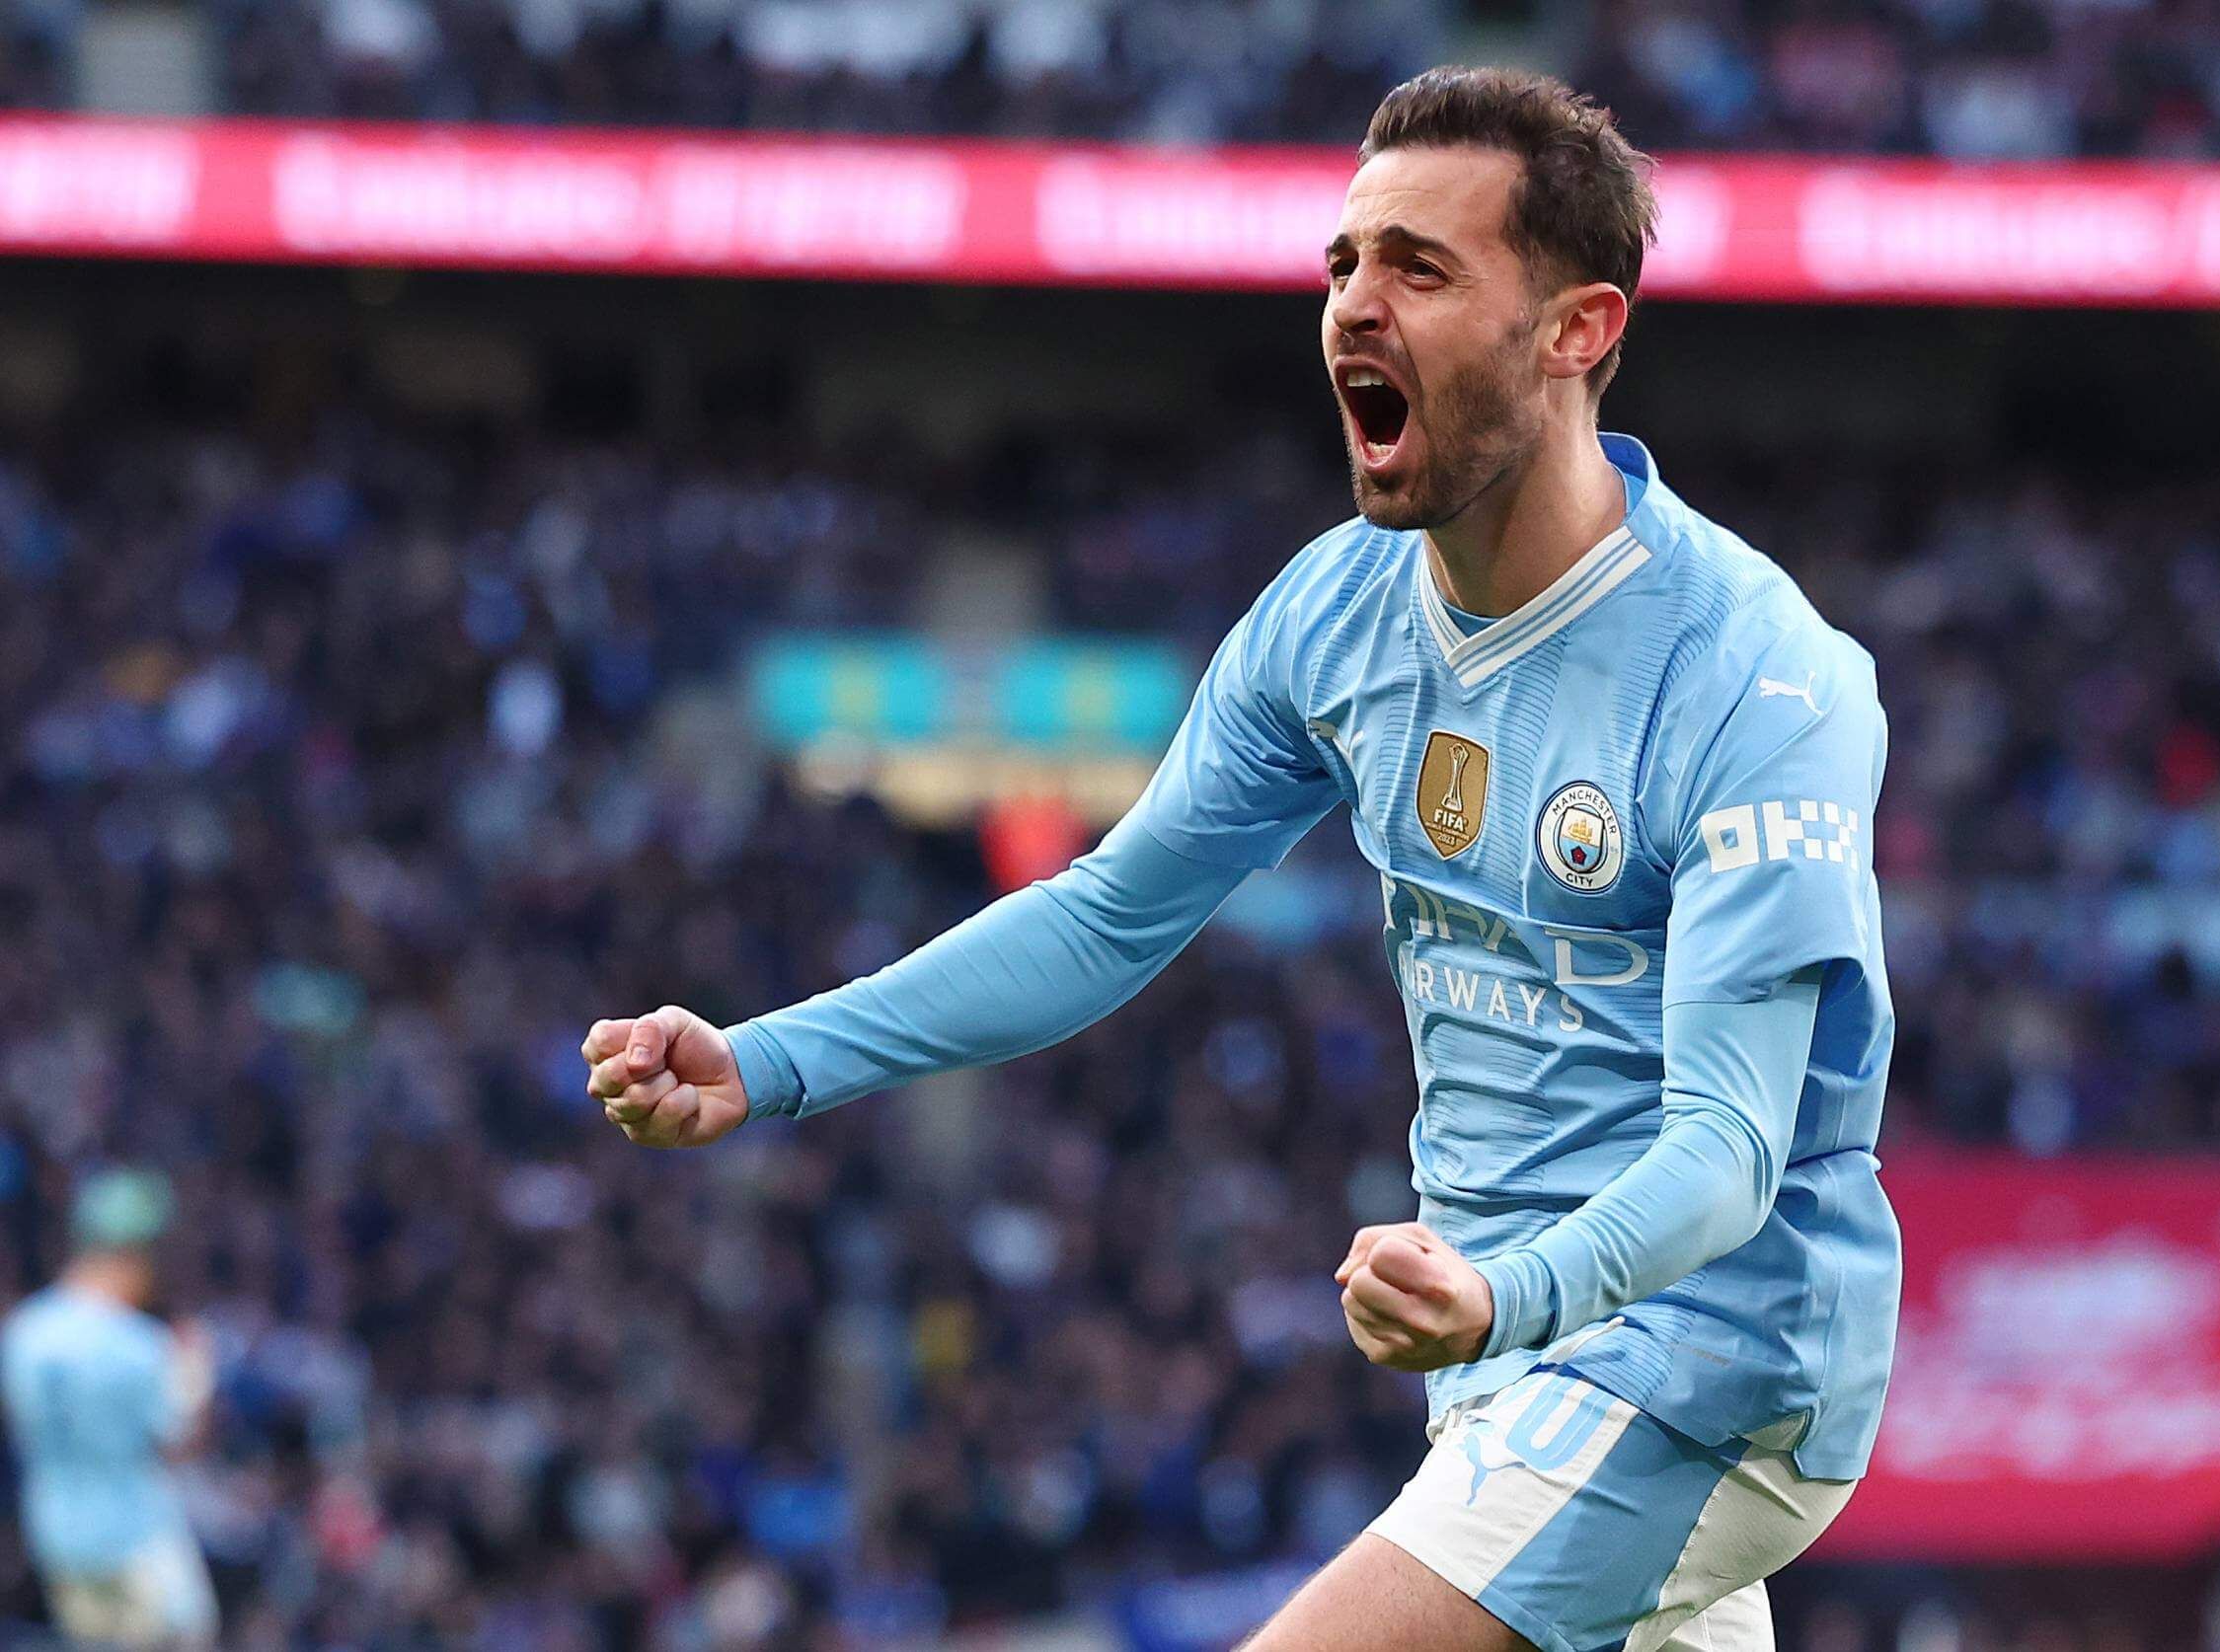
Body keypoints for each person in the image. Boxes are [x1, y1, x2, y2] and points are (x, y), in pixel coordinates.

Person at [583, 64, 1898, 1652]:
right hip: (1498, 1367)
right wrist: (766, 1058)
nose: (1352, 304)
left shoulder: (1756, 677)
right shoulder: (1334, 614)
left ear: (1577, 329)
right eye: (1342, 262)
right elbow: (1106, 916)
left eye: (1418, 266)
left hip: (1702, 1353)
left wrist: (1510, 1295)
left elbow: (1731, 1145)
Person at [1, 1168, 217, 1650]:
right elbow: (182, 1446)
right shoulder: (141, 1346)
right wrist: (196, 1373)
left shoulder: (23, 1334)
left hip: (56, 1534)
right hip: (135, 1537)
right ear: (131, 1254)